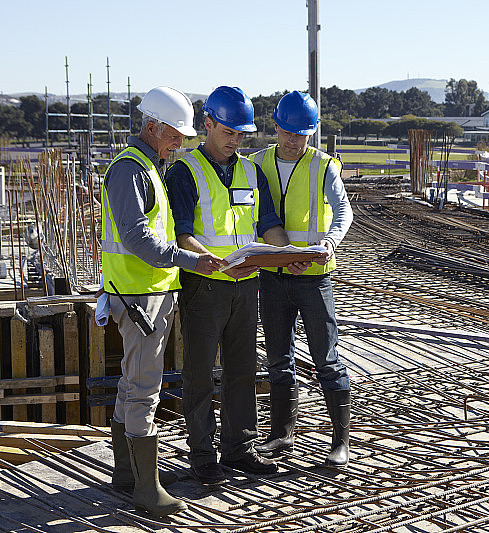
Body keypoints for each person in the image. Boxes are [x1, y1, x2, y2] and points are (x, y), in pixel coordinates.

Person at [165, 86, 300, 485]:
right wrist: (217, 266)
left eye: (242, 133)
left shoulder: (250, 171)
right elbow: (182, 235)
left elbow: (268, 224)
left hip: (247, 285)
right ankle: (203, 454)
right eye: (229, 131)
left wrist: (288, 254)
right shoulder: (184, 172)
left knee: (242, 370)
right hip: (205, 285)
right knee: (200, 373)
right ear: (207, 123)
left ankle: (240, 449)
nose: (236, 139)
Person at [102, 86, 224, 517]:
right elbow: (138, 239)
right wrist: (192, 260)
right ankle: (145, 489)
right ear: (151, 127)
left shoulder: (149, 166)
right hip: (139, 296)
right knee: (143, 391)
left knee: (131, 384)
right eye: (175, 136)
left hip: (147, 292)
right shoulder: (130, 170)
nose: (180, 144)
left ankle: (128, 473)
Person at [251, 91, 353, 467]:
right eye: (289, 133)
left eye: (303, 134)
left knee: (326, 359)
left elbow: (343, 210)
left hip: (314, 278)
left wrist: (329, 241)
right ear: (275, 127)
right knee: (279, 359)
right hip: (273, 278)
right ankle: (281, 435)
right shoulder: (256, 162)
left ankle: (339, 442)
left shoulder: (323, 165)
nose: (295, 141)